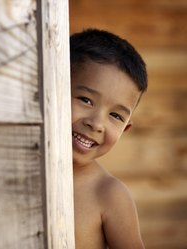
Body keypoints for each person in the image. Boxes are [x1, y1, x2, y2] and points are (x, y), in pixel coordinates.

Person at [70, 29, 147, 249]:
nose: (96, 123)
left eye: (115, 115)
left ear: (125, 129)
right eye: (86, 100)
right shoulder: (12, 167)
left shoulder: (109, 195)